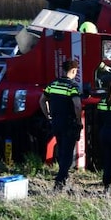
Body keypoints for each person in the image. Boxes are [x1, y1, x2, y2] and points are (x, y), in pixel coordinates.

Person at [38, 59, 82, 190]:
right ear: (73, 71)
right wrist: (79, 121)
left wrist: (48, 116)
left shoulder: (53, 84)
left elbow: (42, 100)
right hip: (69, 123)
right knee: (68, 153)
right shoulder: (72, 87)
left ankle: (63, 177)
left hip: (56, 122)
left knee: (62, 150)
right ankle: (60, 180)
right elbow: (77, 106)